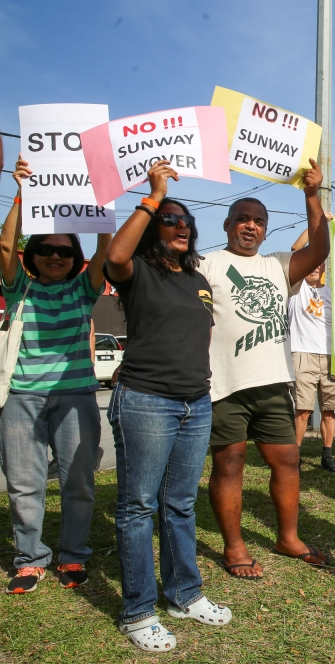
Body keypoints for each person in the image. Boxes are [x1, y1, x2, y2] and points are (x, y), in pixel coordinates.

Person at [103, 161, 230, 651]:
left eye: (186, 221)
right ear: (153, 228)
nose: (181, 225)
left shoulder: (197, 278)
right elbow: (115, 253)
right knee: (137, 507)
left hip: (195, 403)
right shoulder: (136, 271)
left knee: (179, 503)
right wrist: (153, 196)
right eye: (170, 220)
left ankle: (184, 593)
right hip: (145, 402)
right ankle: (137, 612)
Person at [197, 158, 330, 580]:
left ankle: (287, 537)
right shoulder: (207, 264)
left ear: (266, 230)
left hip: (274, 382)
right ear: (227, 225)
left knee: (287, 461)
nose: (250, 226)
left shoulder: (277, 265)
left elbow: (320, 249)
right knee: (230, 464)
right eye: (242, 219)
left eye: (258, 220)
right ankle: (234, 547)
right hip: (225, 383)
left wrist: (312, 195)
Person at [0, 157, 109, 596]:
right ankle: (30, 559)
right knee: (23, 483)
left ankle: (73, 555)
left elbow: (105, 252)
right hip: (22, 397)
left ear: (74, 257)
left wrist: (105, 203)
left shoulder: (85, 287)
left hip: (77, 396)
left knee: (77, 481)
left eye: (65, 251)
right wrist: (22, 192)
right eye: (47, 249)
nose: (56, 256)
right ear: (35, 254)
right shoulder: (20, 287)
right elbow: (6, 249)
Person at [286, 239, 335, 474]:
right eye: (310, 264)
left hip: (331, 357)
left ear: (324, 268)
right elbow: (295, 249)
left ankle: (327, 455)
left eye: (318, 265)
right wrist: (320, 223)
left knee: (330, 409)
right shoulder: (297, 289)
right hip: (303, 352)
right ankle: (294, 456)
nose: (314, 268)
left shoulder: (333, 293)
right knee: (303, 409)